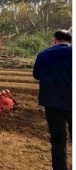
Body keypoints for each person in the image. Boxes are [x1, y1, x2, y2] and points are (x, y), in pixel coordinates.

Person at [33, 30, 72, 170]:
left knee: (58, 140)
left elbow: (36, 75)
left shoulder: (44, 54)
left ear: (55, 40)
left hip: (52, 103)